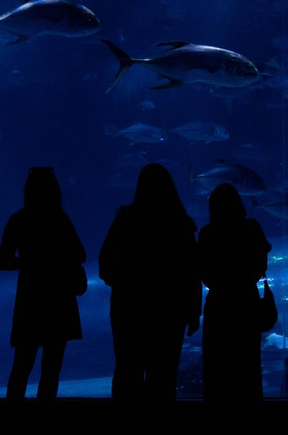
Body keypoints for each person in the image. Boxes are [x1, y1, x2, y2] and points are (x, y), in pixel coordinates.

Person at [98, 163, 201, 401]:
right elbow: (191, 271)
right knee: (163, 377)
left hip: (129, 308)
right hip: (169, 310)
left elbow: (105, 262)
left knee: (127, 372)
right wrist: (193, 311)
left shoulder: (126, 219)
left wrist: (124, 283)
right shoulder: (180, 223)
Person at [0, 167, 87, 401]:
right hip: (59, 297)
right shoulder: (60, 218)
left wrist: (30, 261)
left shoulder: (18, 219)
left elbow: (3, 261)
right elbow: (80, 254)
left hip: (30, 297)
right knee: (52, 368)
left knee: (22, 365)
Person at [198, 182, 272, 401]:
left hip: (218, 305)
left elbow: (203, 273)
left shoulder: (207, 233)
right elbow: (261, 267)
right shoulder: (252, 227)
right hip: (246, 302)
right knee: (247, 365)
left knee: (217, 367)